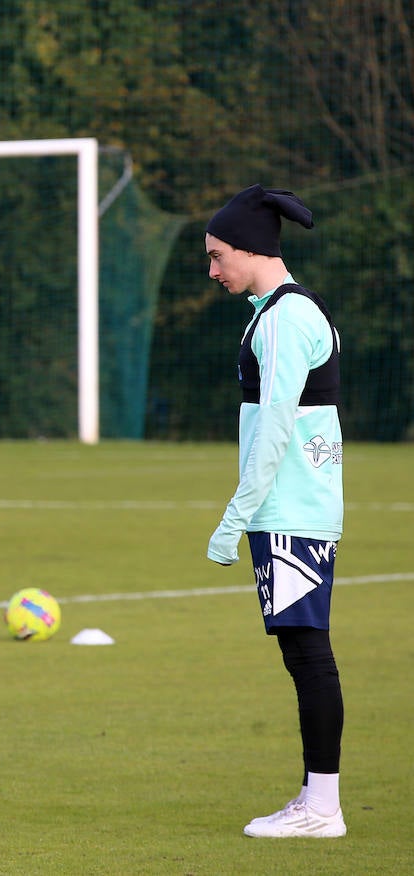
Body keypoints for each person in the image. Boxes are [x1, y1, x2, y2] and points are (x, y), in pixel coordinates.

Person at [204, 184, 346, 838]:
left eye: (217, 255)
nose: (213, 270)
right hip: (291, 507)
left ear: (250, 248)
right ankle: (316, 799)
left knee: (308, 652)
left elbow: (277, 429)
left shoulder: (288, 318)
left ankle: (321, 808)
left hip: (289, 511)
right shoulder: (280, 310)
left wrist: (233, 520)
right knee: (301, 650)